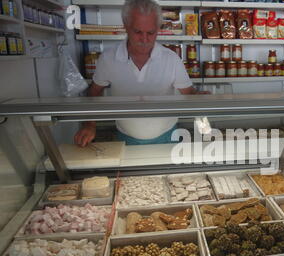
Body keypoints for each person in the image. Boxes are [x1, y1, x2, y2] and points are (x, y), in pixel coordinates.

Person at [74, 0, 206, 147]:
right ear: (126, 27)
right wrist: (90, 125)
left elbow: (189, 94)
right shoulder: (108, 58)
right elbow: (94, 93)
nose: (144, 39)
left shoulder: (171, 59)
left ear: (158, 29)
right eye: (137, 32)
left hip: (168, 137)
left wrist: (202, 99)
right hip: (126, 139)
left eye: (150, 33)